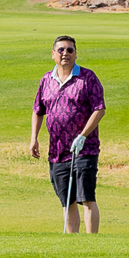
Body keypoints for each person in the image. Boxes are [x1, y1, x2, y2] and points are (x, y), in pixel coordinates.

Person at [30, 34, 105, 234]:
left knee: (86, 197)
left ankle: (92, 242)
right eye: (61, 50)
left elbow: (99, 109)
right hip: (57, 150)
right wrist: (34, 138)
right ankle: (72, 243)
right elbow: (38, 110)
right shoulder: (46, 80)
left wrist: (83, 136)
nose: (65, 53)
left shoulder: (87, 78)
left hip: (84, 149)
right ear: (53, 54)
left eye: (70, 50)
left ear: (75, 54)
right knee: (67, 200)